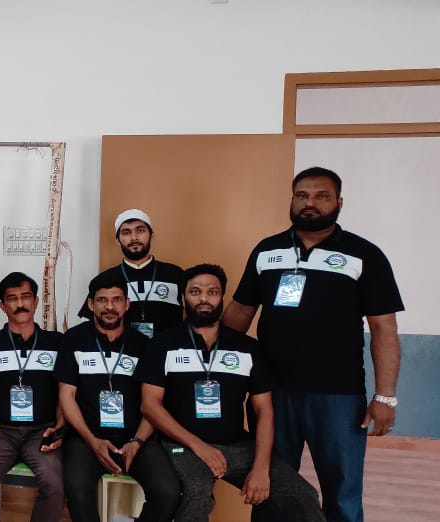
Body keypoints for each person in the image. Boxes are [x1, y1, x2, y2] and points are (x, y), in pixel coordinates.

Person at [223, 167, 404, 522]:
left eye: (321, 196)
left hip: (338, 397)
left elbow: (384, 329)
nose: (310, 203)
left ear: (339, 202)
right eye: (302, 195)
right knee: (272, 490)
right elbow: (239, 313)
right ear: (292, 200)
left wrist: (385, 397)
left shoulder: (364, 254)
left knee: (342, 494)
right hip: (272, 394)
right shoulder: (266, 250)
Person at [137, 264, 324, 522]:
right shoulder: (162, 344)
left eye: (212, 292)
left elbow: (264, 410)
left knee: (303, 496)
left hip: (238, 447)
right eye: (195, 292)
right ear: (183, 297)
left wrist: (261, 468)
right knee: (196, 493)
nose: (204, 298)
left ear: (222, 297)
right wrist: (199, 446)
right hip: (182, 446)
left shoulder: (247, 348)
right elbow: (150, 405)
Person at [55, 273, 179, 522]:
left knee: (168, 493)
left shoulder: (145, 345)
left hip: (135, 438)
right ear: (91, 304)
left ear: (127, 304)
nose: (109, 307)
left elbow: (153, 403)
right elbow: (66, 396)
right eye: (102, 300)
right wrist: (92, 441)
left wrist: (138, 441)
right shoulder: (73, 340)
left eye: (116, 299)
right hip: (86, 437)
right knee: (77, 492)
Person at [0, 272, 65, 522]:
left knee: (55, 484)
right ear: (2, 306)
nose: (20, 304)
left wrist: (60, 428)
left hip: (41, 431)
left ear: (36, 301)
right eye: (12, 298)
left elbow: (65, 394)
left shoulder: (57, 343)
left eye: (26, 297)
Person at [79, 209, 184, 339]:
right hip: (123, 351)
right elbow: (86, 326)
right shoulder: (105, 279)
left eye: (140, 230)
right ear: (118, 240)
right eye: (126, 232)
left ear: (151, 235)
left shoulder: (175, 274)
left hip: (169, 349)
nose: (134, 238)